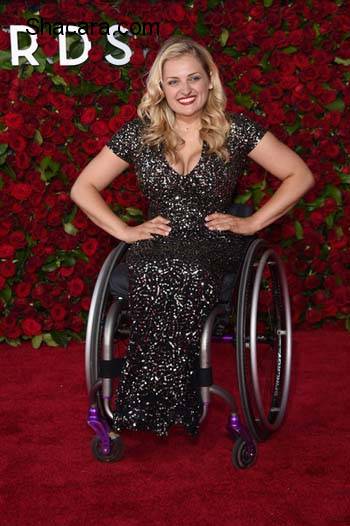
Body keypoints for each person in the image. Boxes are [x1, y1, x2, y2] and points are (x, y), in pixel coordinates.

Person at [70, 36, 315, 438]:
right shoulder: (141, 134)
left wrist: (252, 223)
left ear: (209, 81)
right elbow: (83, 187)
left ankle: (155, 402)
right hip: (157, 240)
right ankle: (156, 401)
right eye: (173, 82)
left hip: (213, 240)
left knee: (184, 270)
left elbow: (299, 174)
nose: (184, 90)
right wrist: (125, 232)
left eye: (193, 78)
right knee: (154, 268)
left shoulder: (235, 130)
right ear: (160, 88)